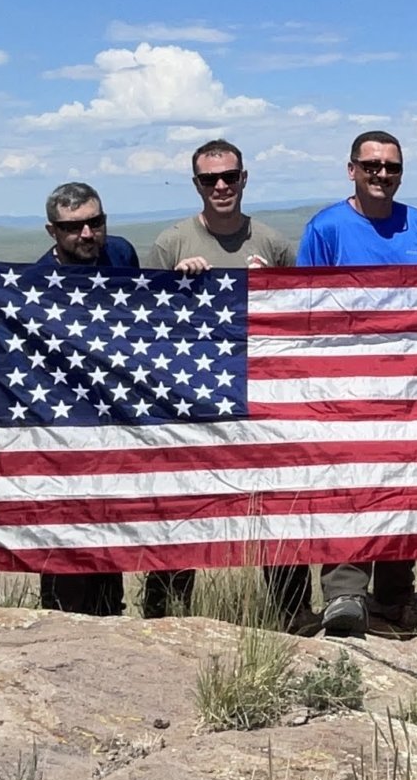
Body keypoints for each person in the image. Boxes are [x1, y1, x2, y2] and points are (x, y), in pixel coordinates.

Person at [140, 140, 304, 624]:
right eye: (210, 179)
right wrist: (179, 284)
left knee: (275, 501)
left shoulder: (272, 244)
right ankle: (167, 611)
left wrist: (270, 283)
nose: (221, 186)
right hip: (192, 399)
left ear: (244, 178)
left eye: (229, 176)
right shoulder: (172, 244)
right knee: (184, 501)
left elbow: (298, 321)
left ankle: (292, 612)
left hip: (262, 395)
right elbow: (143, 325)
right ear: (196, 184)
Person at [298, 131, 417, 634]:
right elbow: (303, 310)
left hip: (405, 385)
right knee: (347, 489)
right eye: (372, 166)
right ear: (351, 169)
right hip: (344, 384)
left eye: (392, 167)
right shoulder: (326, 228)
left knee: (402, 488)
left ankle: (394, 597)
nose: (382, 175)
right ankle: (345, 594)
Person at [26, 182, 137, 617]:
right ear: (52, 231)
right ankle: (60, 618)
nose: (88, 234)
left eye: (95, 222)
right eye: (74, 227)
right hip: (60, 422)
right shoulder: (32, 285)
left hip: (114, 416)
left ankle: (111, 614)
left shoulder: (122, 254)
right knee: (65, 522)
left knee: (109, 519)